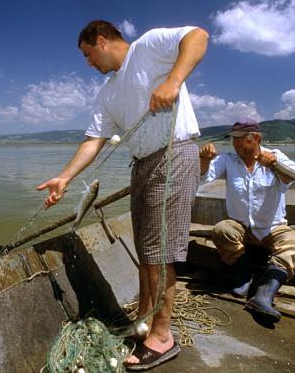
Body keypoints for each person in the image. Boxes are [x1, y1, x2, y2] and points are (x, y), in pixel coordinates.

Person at [37, 20, 208, 370]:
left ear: (101, 41)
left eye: (87, 55)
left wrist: (173, 81)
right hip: (142, 164)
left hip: (174, 153)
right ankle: (145, 322)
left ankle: (162, 337)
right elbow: (93, 140)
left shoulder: (148, 46)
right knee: (146, 250)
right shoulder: (108, 93)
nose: (88, 64)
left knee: (160, 252)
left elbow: (198, 36)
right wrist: (64, 178)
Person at [199, 118, 295, 323]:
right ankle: (244, 274)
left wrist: (275, 165)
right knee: (222, 230)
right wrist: (204, 159)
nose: (235, 144)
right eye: (233, 139)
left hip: (273, 228)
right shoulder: (228, 160)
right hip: (241, 227)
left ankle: (264, 294)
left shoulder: (276, 157)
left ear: (255, 138)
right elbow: (204, 177)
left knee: (293, 241)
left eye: (240, 139)